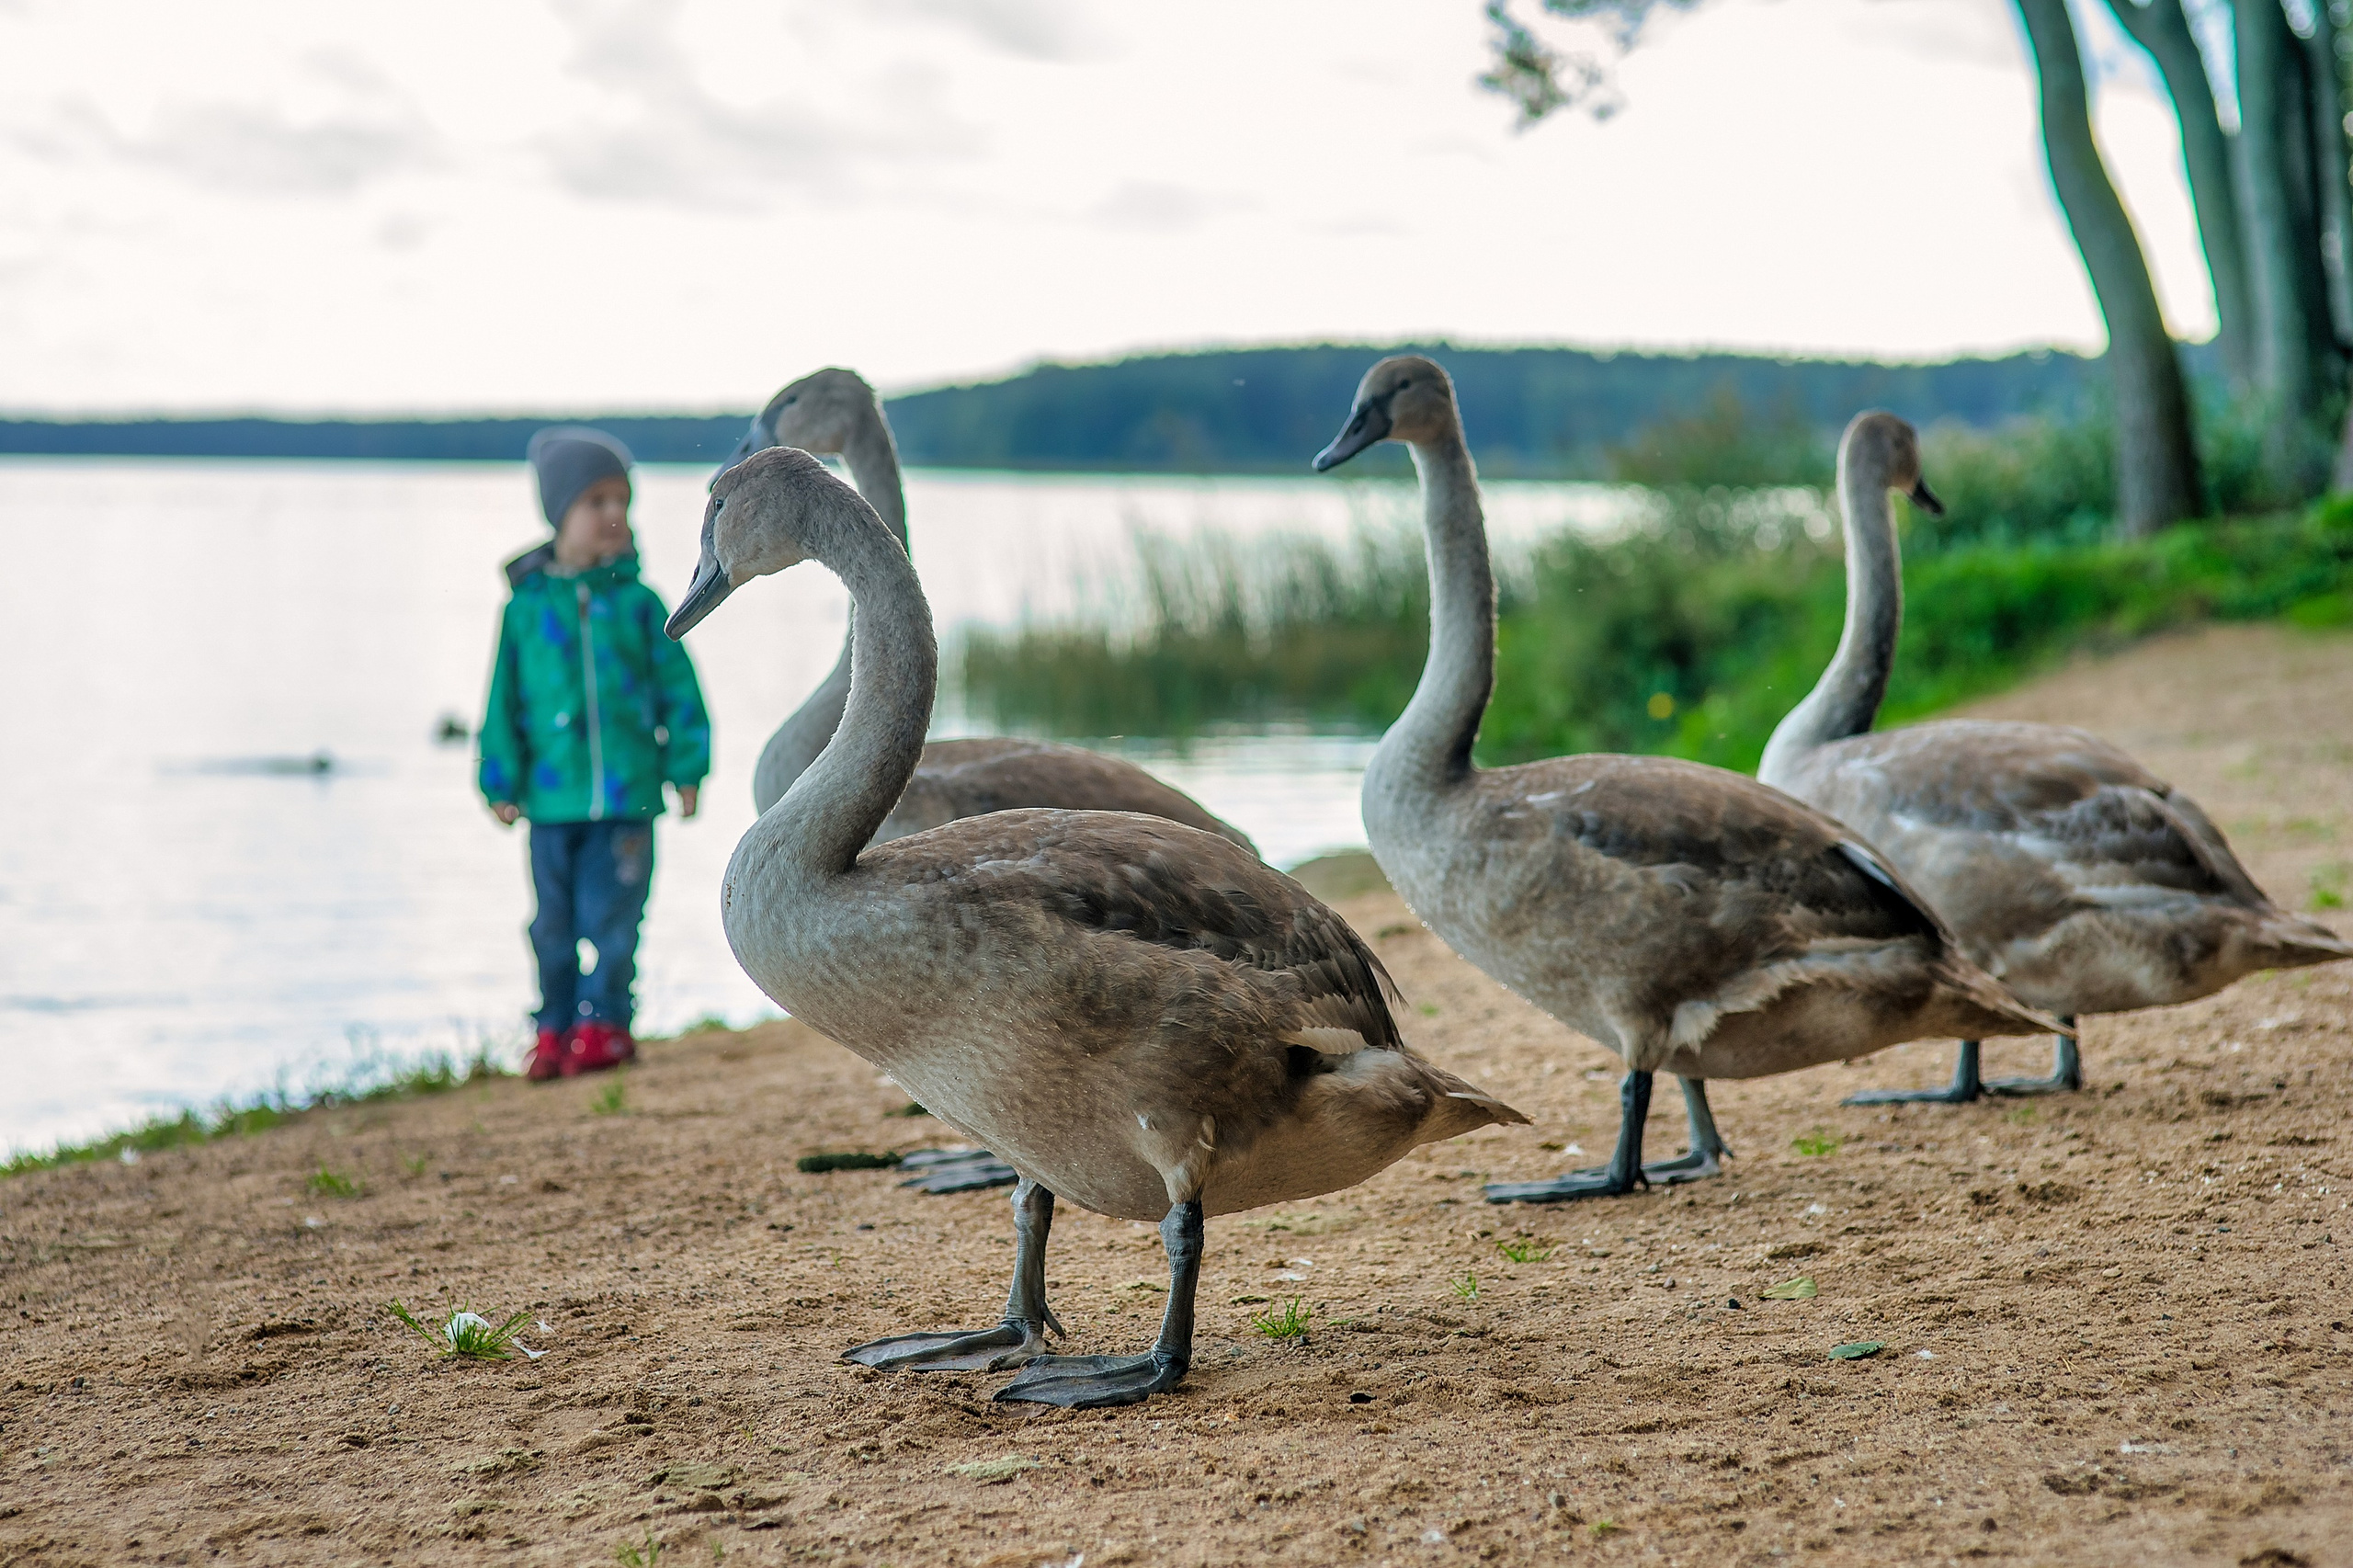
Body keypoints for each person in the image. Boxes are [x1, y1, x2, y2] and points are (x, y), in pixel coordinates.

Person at [478, 427, 711, 1081]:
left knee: (612, 921)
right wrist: (499, 778)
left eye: (622, 501)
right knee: (552, 924)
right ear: (560, 516)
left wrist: (687, 768)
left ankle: (605, 1024)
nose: (615, 515)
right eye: (597, 501)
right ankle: (553, 1027)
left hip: (628, 797)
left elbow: (679, 692)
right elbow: (503, 701)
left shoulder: (641, 607)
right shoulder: (525, 611)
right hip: (551, 801)